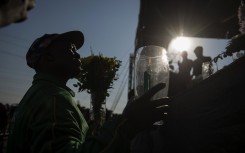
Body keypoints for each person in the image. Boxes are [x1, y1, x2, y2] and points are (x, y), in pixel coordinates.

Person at [6, 30, 170, 153]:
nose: (78, 54)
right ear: (49, 58)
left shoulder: (41, 93)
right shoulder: (53, 99)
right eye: (70, 49)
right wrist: (128, 124)